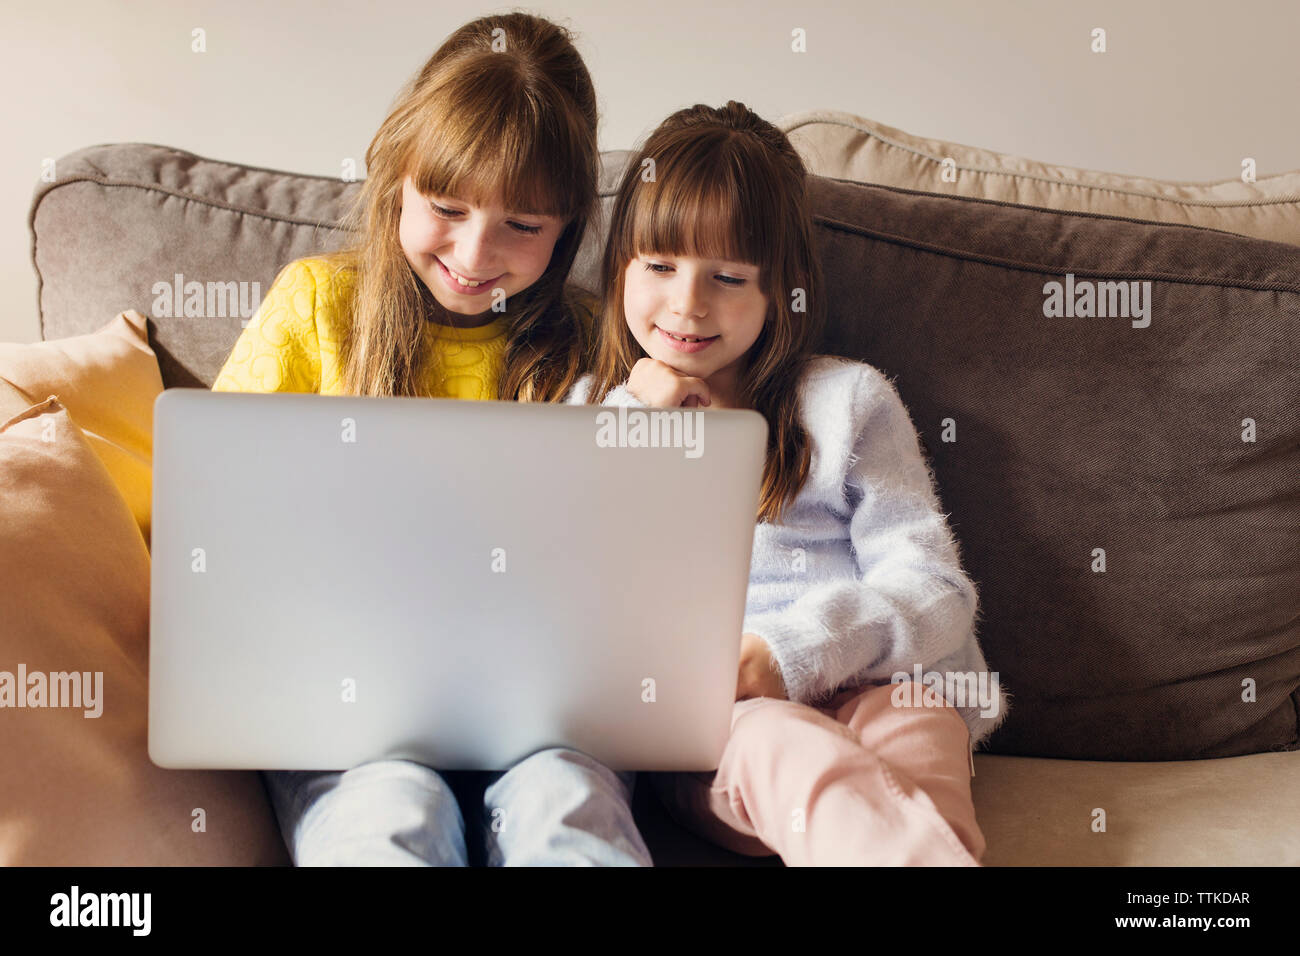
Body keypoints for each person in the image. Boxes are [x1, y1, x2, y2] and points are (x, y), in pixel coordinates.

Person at [212, 12, 651, 867]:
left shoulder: (594, 344)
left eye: (523, 226)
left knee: (564, 804)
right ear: (397, 182)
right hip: (344, 710)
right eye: (445, 207)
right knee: (388, 812)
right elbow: (214, 520)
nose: (475, 253)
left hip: (543, 718)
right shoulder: (316, 306)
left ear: (567, 230)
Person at [570, 100, 1012, 865]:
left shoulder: (847, 401)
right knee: (794, 757)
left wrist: (790, 652)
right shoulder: (588, 417)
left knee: (916, 740)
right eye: (661, 266)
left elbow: (936, 589)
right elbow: (570, 599)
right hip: (720, 720)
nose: (687, 303)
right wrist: (632, 420)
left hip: (879, 680)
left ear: (781, 291)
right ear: (620, 270)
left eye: (729, 277)